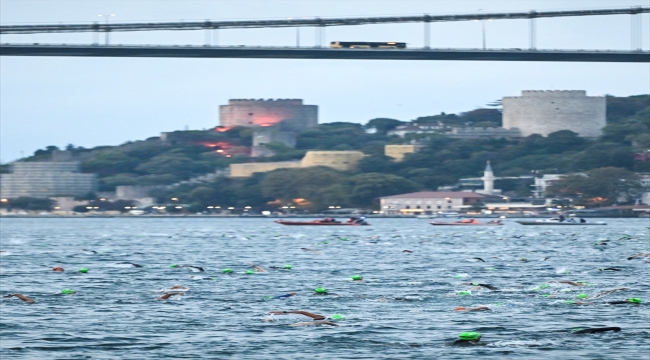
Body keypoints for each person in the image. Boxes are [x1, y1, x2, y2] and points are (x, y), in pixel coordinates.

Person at [267, 310, 338, 326]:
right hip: (314, 323)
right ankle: (270, 321)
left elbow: (302, 312)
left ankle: (270, 321)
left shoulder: (320, 317)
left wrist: (282, 312)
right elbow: (302, 312)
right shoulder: (321, 318)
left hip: (313, 323)